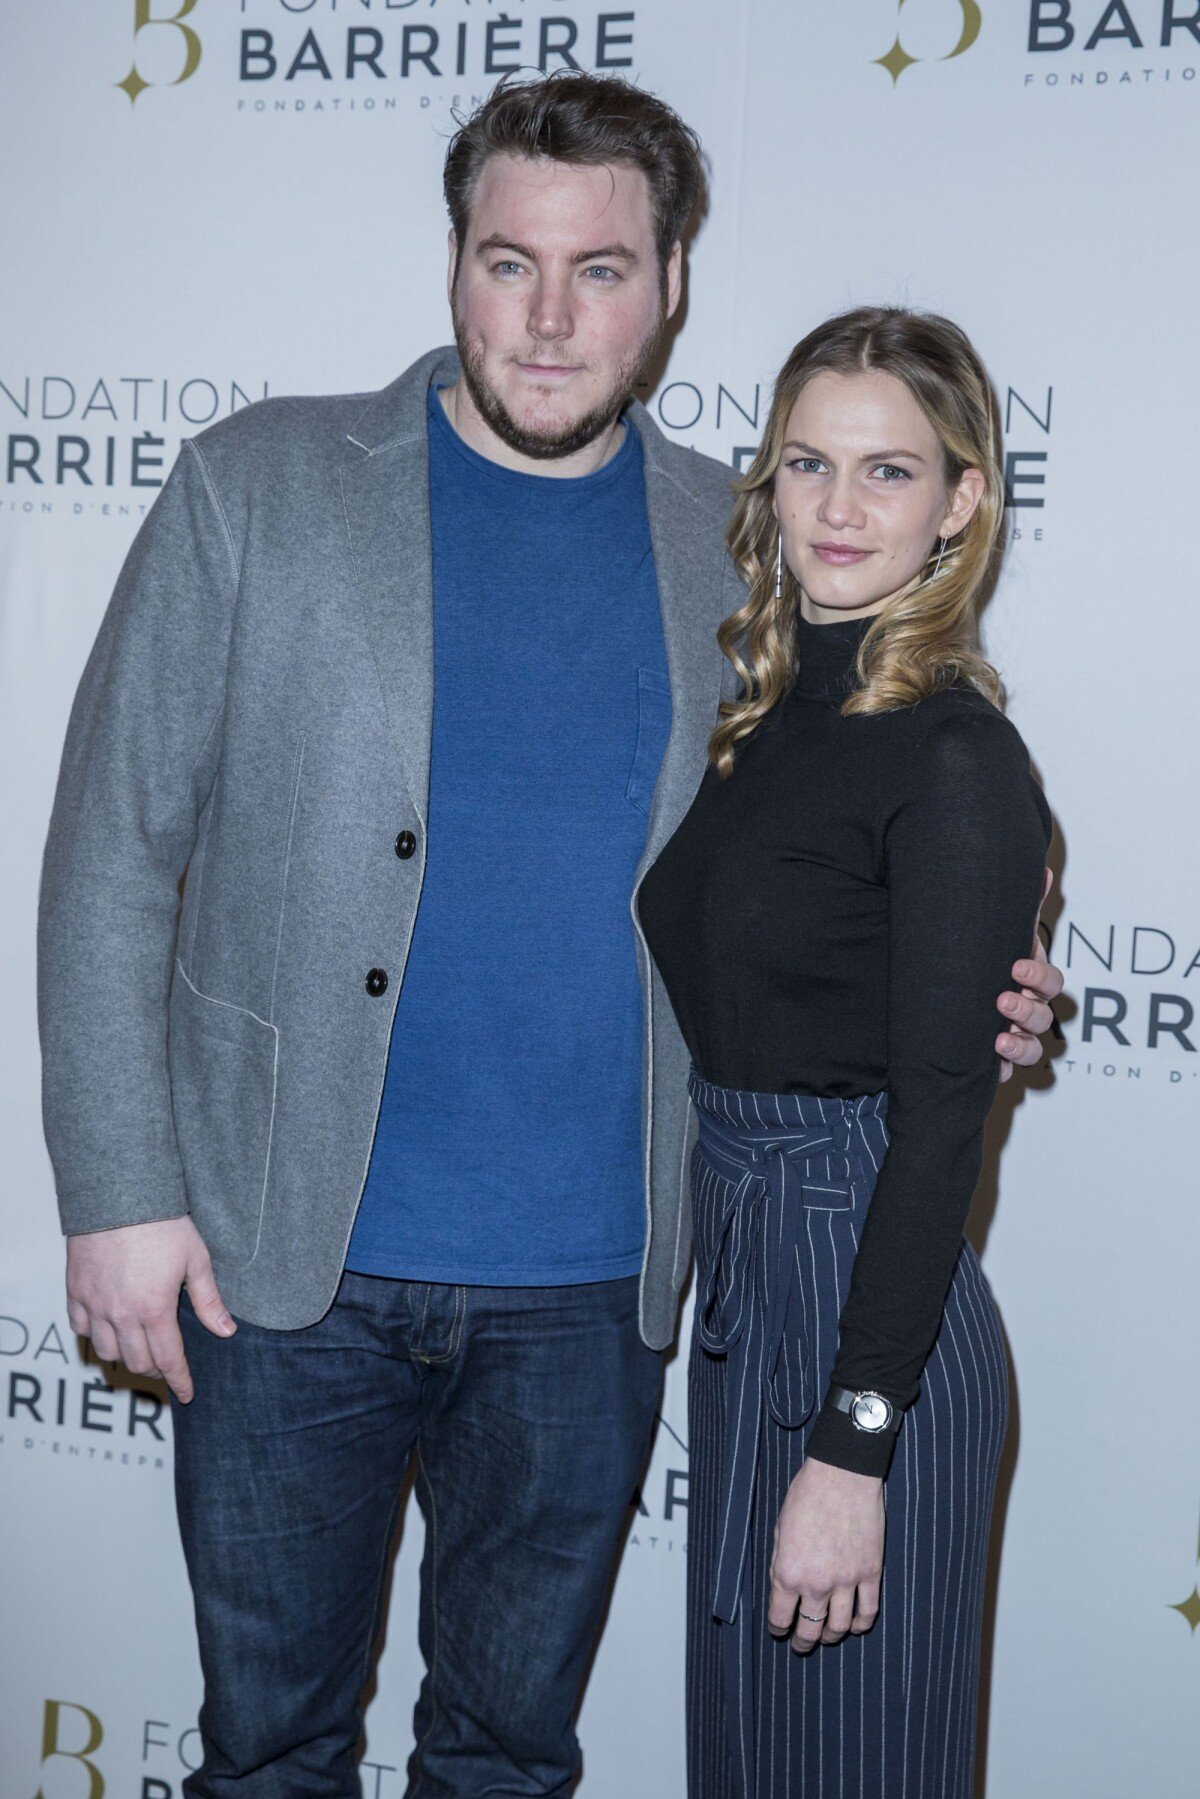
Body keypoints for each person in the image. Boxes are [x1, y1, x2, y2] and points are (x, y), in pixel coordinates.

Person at [36, 73, 1061, 1799]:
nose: (550, 313)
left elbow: (854, 826)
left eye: (602, 270)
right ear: (454, 263)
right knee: (266, 1755)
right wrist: (119, 1191)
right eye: (510, 261)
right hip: (289, 1271)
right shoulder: (258, 486)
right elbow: (110, 853)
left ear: (671, 288)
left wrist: (976, 994)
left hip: (598, 1287)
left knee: (509, 1759)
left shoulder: (736, 545)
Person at [637, 306, 1053, 1798]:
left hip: (873, 1307)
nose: (839, 507)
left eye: (890, 473)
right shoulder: (758, 724)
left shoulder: (956, 757)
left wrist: (856, 1448)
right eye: (809, 462)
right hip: (754, 1286)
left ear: (960, 503)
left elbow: (942, 1129)